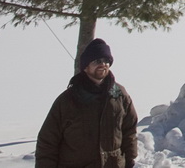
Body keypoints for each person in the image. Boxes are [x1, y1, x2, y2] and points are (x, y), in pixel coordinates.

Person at [36, 38, 138, 168]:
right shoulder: (68, 99)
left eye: (107, 61)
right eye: (97, 61)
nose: (103, 64)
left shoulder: (120, 95)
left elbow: (129, 131)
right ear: (85, 67)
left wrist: (129, 160)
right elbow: (47, 142)